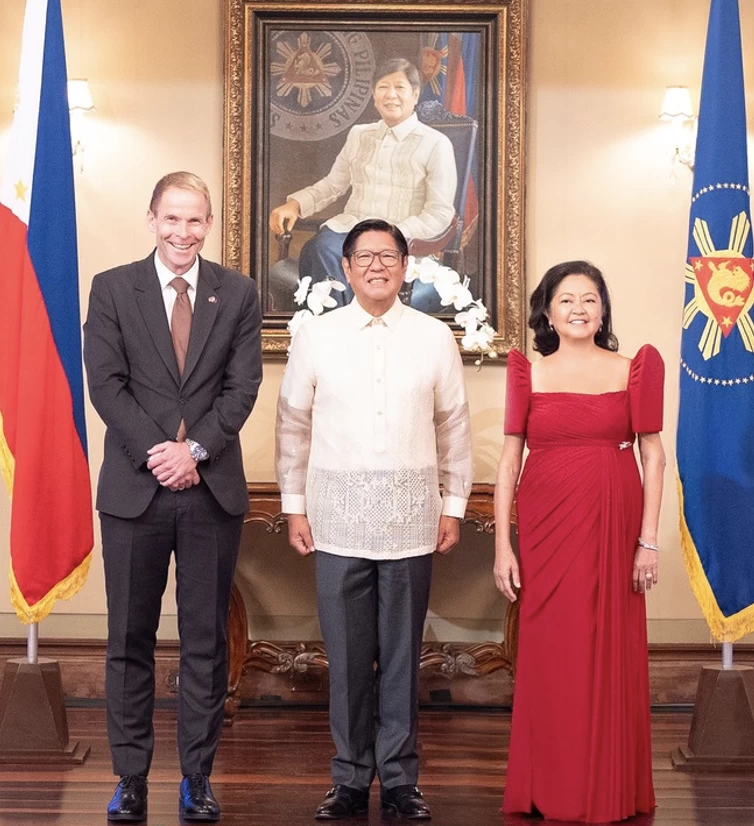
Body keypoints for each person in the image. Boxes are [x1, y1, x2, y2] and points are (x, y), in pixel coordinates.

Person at [275, 219, 472, 820]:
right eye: (365, 256)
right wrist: (293, 506)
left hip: (413, 518)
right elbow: (293, 426)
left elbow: (454, 427)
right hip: (336, 519)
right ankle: (350, 777)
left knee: (402, 655)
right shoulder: (317, 335)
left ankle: (402, 778)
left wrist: (454, 505)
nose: (378, 266)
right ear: (347, 267)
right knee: (348, 656)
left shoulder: (435, 338)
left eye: (389, 256)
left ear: (406, 266)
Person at [84, 171, 263, 823]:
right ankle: (130, 778)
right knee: (129, 638)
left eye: (195, 221)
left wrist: (194, 452)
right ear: (152, 219)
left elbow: (242, 389)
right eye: (172, 219)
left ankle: (196, 777)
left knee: (204, 641)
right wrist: (161, 453)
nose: (183, 232)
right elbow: (106, 385)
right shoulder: (112, 289)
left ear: (208, 224)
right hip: (135, 490)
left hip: (210, 490)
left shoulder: (237, 293)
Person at [494, 260, 664, 823]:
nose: (579, 309)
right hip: (545, 522)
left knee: (606, 641)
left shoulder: (634, 368)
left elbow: (654, 457)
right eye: (567, 300)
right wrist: (502, 545)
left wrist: (648, 542)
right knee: (552, 649)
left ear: (603, 309)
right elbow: (508, 462)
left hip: (615, 518)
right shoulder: (528, 373)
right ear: (547, 310)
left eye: (590, 299)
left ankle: (607, 787)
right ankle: (551, 786)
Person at [269, 58, 457, 312]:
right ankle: (342, 330)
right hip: (350, 231)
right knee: (319, 248)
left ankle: (348, 334)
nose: (391, 95)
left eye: (400, 88)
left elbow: (439, 213)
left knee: (334, 252)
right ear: (373, 95)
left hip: (403, 240)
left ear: (415, 94)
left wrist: (392, 235)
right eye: (383, 87)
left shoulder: (436, 143)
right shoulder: (360, 134)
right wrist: (296, 204)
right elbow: (333, 185)